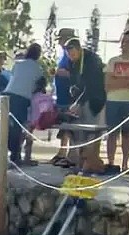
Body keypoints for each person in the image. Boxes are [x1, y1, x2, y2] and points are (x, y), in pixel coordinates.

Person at [63, 38, 107, 171]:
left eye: (72, 52)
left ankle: (92, 164)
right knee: (78, 132)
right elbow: (75, 80)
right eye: (68, 53)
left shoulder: (92, 60)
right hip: (80, 100)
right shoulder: (72, 62)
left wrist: (78, 103)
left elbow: (92, 85)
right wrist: (73, 90)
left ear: (79, 49)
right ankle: (81, 163)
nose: (71, 56)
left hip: (95, 101)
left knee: (92, 133)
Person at [1, 43, 45, 166]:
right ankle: (15, 156)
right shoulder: (38, 69)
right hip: (22, 98)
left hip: (7, 95)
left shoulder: (18, 64)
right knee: (17, 128)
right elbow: (39, 84)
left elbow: (13, 77)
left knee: (3, 126)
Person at [105, 29, 129, 173]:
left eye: (128, 41)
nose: (124, 44)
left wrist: (118, 80)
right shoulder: (113, 61)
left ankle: (125, 164)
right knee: (112, 133)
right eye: (123, 41)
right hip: (113, 101)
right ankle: (111, 162)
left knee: (128, 134)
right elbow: (108, 85)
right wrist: (126, 81)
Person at [52, 28, 79, 166]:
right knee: (64, 126)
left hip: (70, 97)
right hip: (61, 96)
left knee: (70, 126)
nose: (61, 42)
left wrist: (60, 72)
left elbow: (74, 74)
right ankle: (62, 152)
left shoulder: (72, 56)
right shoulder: (63, 55)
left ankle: (71, 154)